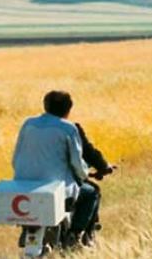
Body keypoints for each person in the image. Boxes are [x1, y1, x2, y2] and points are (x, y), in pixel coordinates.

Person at [12, 91, 104, 246]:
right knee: (91, 193)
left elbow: (15, 159)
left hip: (23, 186)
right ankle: (75, 235)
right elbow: (77, 163)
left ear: (45, 106)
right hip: (56, 189)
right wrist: (86, 173)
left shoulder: (28, 124)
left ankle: (27, 230)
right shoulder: (68, 128)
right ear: (68, 110)